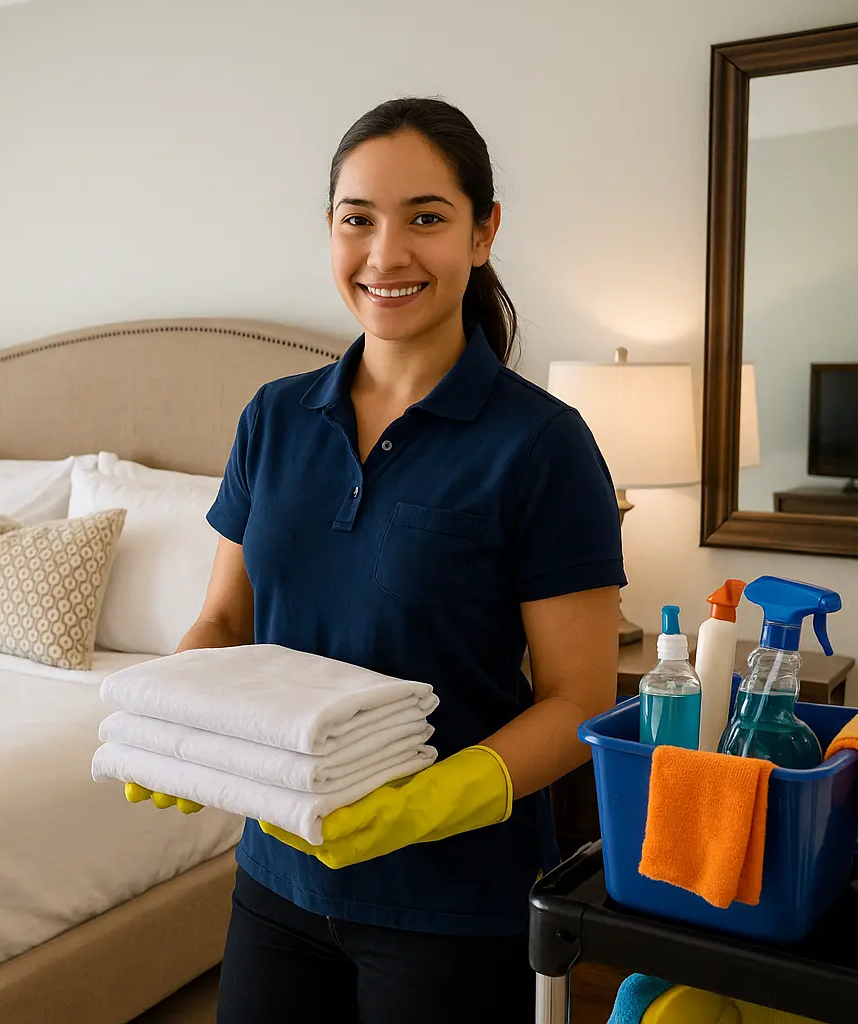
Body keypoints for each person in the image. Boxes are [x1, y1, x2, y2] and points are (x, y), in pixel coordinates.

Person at [131, 98, 624, 1021]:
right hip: (276, 875)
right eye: (357, 219)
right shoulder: (274, 418)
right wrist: (173, 721)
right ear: (330, 230)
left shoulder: (542, 445)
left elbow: (581, 699)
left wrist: (437, 797)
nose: (385, 255)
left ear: (484, 232)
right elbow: (226, 621)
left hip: (451, 905)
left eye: (426, 218)